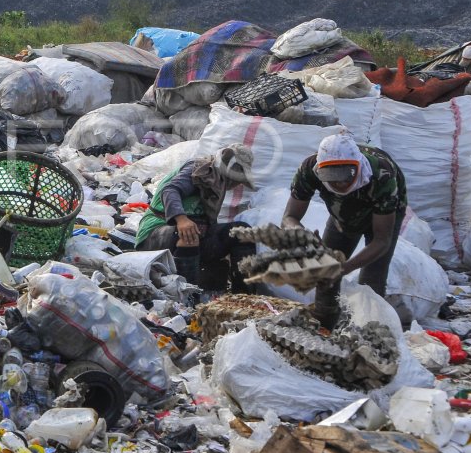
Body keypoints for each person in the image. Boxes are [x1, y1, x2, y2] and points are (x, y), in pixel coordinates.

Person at [282, 132, 407, 329]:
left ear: (358, 166)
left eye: (345, 175)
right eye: (331, 177)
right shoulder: (309, 169)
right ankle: (324, 330)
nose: (339, 183)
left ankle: (370, 337)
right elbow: (289, 217)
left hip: (383, 215)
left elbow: (381, 241)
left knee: (371, 282)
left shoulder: (382, 175)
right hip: (342, 216)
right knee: (325, 276)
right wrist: (301, 235)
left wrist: (345, 268)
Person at [135, 144, 256, 290]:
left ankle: (243, 297)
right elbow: (170, 190)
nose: (236, 184)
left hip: (192, 235)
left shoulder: (216, 184)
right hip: (156, 232)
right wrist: (181, 219)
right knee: (190, 233)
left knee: (241, 232)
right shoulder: (199, 169)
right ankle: (188, 296)